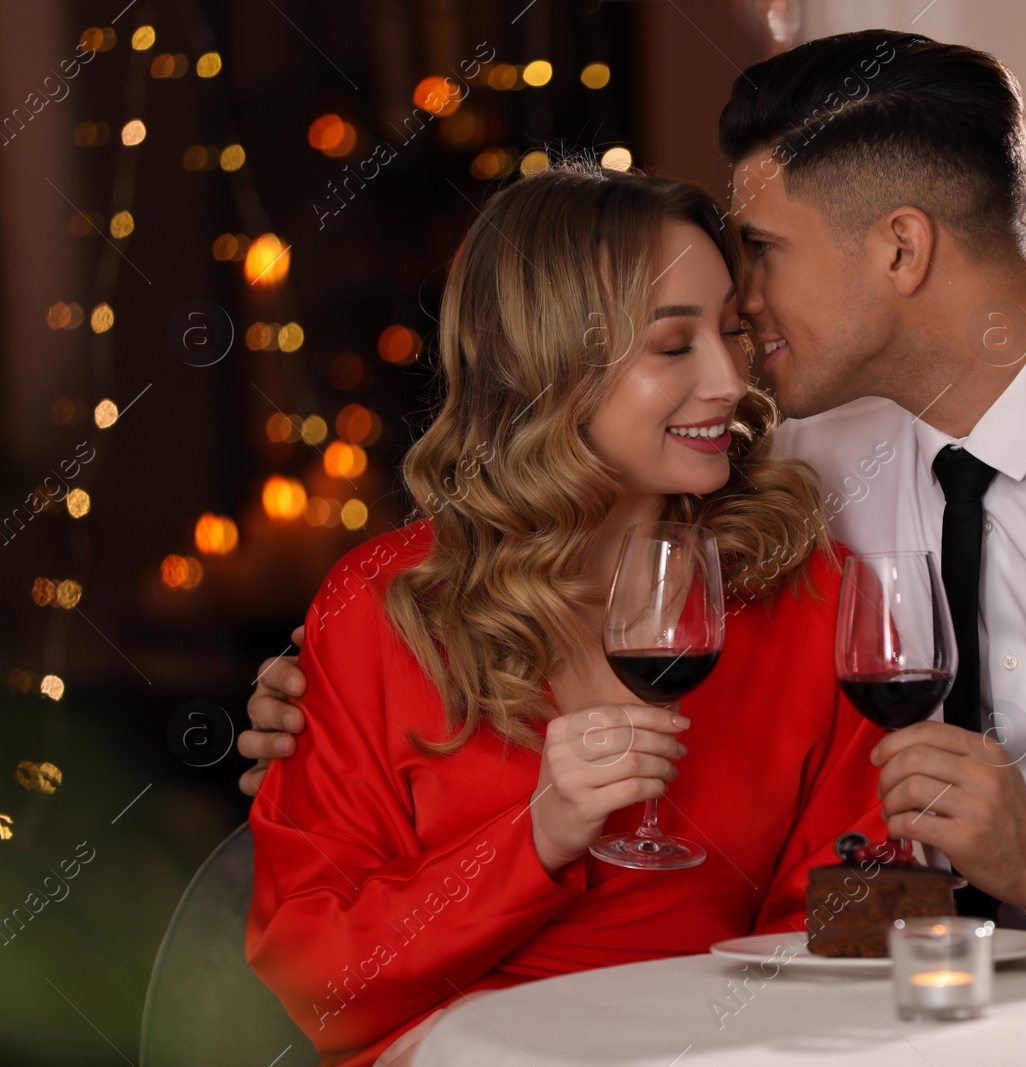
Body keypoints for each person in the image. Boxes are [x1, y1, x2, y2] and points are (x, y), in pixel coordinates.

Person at [243, 30, 1026, 936]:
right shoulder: (782, 455)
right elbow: (555, 505)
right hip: (895, 998)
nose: (743, 317)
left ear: (899, 247)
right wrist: (332, 691)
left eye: (760, 259)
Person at [244, 165, 885, 1066]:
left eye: (733, 333)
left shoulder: (799, 586)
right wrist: (537, 835)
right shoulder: (387, 606)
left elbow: (853, 895)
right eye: (673, 346)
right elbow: (313, 974)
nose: (730, 379)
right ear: (552, 369)